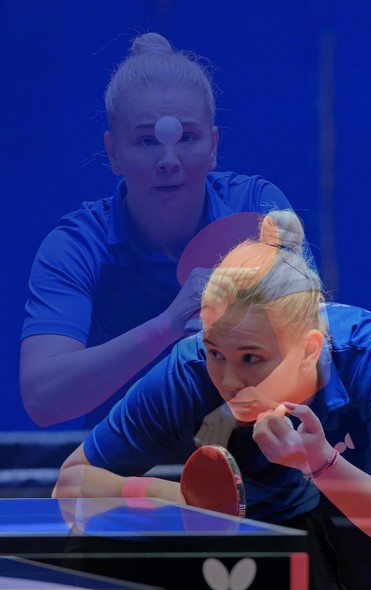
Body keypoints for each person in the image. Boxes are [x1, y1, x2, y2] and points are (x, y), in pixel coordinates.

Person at [54, 208, 371, 590]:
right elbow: (71, 484)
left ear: (308, 351)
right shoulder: (188, 372)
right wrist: (171, 500)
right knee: (87, 553)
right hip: (262, 543)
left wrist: (321, 464)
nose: (228, 381)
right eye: (215, 353)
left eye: (251, 358)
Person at [20, 31, 292, 430]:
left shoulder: (257, 211)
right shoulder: (77, 246)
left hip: (251, 453)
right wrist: (166, 326)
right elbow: (42, 399)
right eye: (147, 141)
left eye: (188, 137)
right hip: (121, 462)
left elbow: (307, 352)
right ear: (113, 152)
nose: (168, 160)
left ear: (213, 146)